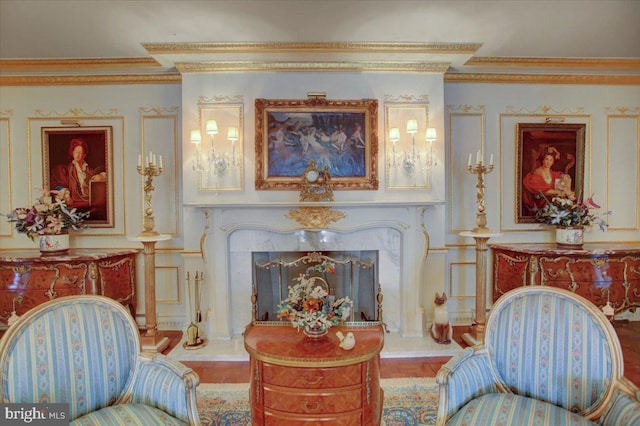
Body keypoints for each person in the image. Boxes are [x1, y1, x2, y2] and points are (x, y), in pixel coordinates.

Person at [51, 138, 106, 210]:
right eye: (76, 152)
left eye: (80, 153)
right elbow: (56, 184)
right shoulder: (66, 170)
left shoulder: (89, 170)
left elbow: (108, 177)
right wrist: (67, 196)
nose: (78, 155)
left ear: (84, 155)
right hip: (75, 204)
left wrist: (101, 176)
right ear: (72, 152)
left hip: (90, 203)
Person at [522, 146, 575, 215]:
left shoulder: (554, 174)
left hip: (552, 207)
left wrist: (565, 177)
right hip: (539, 207)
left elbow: (561, 182)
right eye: (546, 159)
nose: (548, 162)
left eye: (551, 160)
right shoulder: (535, 174)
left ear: (553, 162)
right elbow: (543, 191)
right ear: (543, 160)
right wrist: (560, 192)